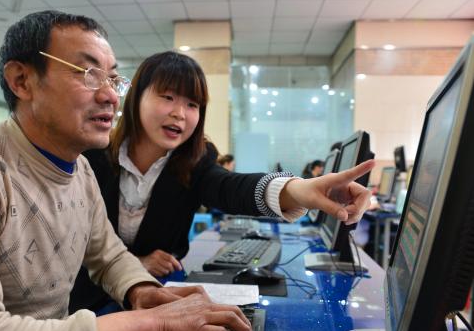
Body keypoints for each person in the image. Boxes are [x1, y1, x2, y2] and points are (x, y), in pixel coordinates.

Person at [0, 11, 253, 331]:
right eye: (87, 74)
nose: (110, 96)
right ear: (22, 81)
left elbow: (108, 254)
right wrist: (150, 325)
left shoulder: (79, 168)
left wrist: (142, 291)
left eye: (112, 78)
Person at [76, 50, 374, 310]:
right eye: (167, 97)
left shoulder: (196, 159)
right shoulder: (91, 154)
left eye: (193, 105)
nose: (180, 113)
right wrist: (135, 264)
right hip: (83, 307)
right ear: (137, 96)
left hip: (153, 301)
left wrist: (299, 190)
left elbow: (230, 188)